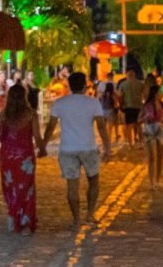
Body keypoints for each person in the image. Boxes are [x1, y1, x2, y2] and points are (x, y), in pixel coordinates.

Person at [41, 72, 111, 229]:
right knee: (94, 181)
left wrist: (43, 146)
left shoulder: (60, 103)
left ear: (70, 86)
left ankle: (77, 220)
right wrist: (107, 147)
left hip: (67, 149)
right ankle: (90, 214)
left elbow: (50, 127)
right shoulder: (93, 103)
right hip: (89, 148)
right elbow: (101, 126)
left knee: (72, 186)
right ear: (85, 85)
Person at [0, 84, 45, 234]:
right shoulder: (31, 114)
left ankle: (13, 214)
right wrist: (42, 149)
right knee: (27, 189)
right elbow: (37, 137)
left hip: (8, 157)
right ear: (24, 97)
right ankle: (24, 221)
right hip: (25, 157)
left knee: (10, 188)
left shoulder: (4, 115)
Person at [139, 84, 163, 189]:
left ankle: (157, 180)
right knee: (152, 157)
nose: (162, 94)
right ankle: (152, 182)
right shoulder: (146, 105)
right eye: (160, 92)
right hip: (149, 131)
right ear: (155, 93)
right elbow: (139, 120)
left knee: (160, 157)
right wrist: (145, 118)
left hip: (160, 131)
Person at [118, 69, 144, 147]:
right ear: (134, 75)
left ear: (127, 75)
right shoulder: (140, 84)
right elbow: (145, 94)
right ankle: (140, 143)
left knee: (129, 126)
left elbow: (120, 96)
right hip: (139, 107)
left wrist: (121, 105)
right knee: (139, 125)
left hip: (128, 107)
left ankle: (130, 144)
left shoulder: (123, 84)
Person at [97, 72, 120, 145]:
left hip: (103, 111)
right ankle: (110, 140)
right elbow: (116, 103)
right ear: (112, 76)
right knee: (110, 128)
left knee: (104, 127)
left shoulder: (102, 87)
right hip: (111, 111)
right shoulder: (115, 86)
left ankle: (104, 141)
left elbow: (98, 98)